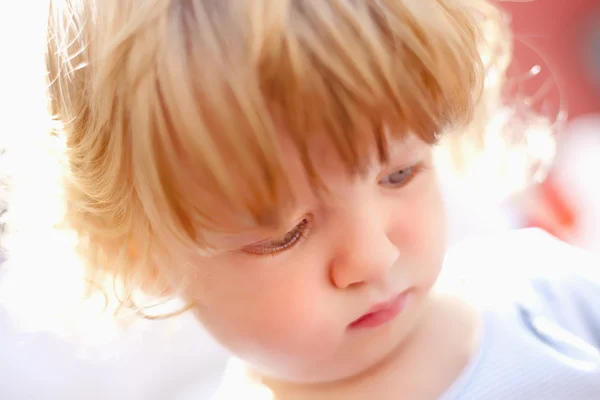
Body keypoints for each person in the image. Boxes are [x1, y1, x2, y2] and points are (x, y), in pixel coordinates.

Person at [3, 0, 600, 399]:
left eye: (399, 174)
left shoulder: (552, 296)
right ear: (140, 252)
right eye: (284, 233)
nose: (373, 258)